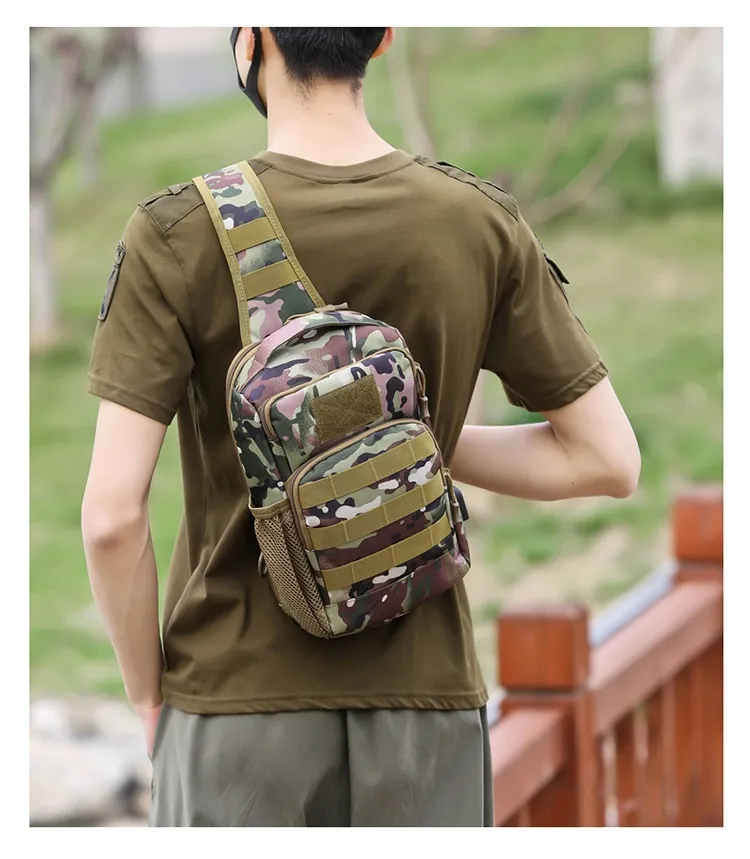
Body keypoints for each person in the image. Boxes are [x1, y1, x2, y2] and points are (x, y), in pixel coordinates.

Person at [82, 27, 641, 828]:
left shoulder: (177, 232)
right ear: (381, 40)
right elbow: (607, 459)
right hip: (426, 714)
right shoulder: (477, 221)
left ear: (253, 41)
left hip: (236, 712)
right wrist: (401, 444)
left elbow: (110, 518)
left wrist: (147, 693)